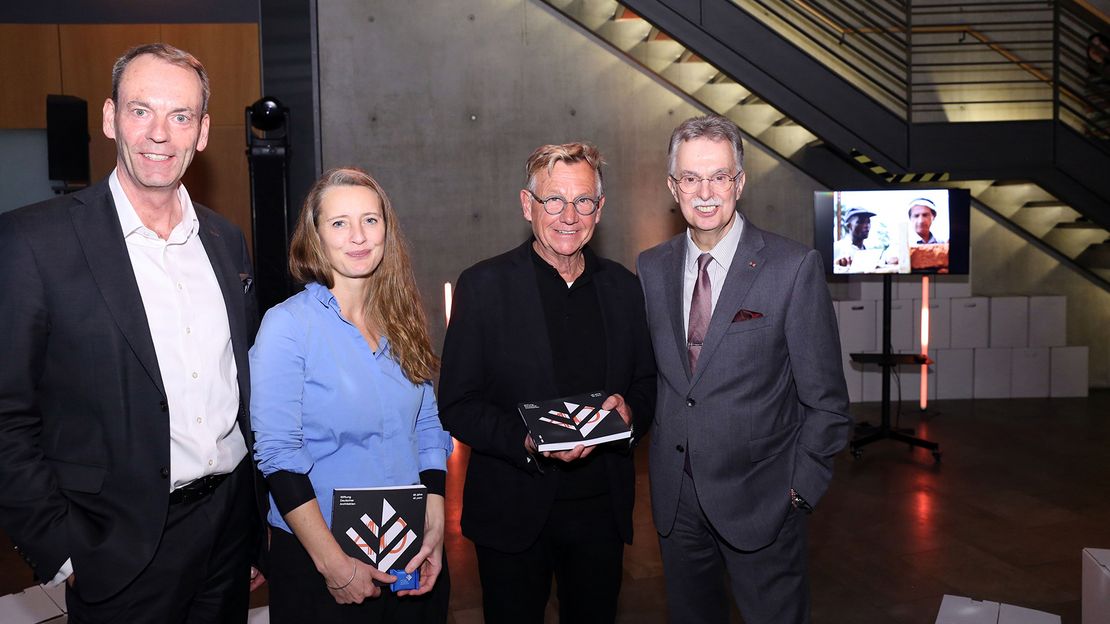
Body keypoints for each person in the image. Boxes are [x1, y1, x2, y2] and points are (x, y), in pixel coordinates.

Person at [0, 43, 266, 622]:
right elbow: (7, 411)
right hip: (114, 542)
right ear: (108, 117)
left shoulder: (225, 241)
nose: (159, 135)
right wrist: (58, 548)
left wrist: (250, 524)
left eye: (181, 116)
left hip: (227, 528)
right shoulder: (32, 243)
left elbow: (236, 385)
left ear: (201, 132)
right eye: (140, 110)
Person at [637, 115, 851, 624]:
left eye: (719, 176)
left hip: (764, 499)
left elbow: (826, 401)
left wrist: (799, 491)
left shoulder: (792, 267)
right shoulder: (650, 267)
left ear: (741, 181)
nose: (705, 192)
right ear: (673, 186)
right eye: (691, 178)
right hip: (677, 503)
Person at [438, 142, 656, 624]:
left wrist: (631, 413)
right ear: (526, 205)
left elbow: (645, 382)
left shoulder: (623, 287)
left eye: (583, 201)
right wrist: (527, 441)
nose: (568, 215)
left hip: (601, 511)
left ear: (599, 209)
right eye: (553, 200)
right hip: (513, 511)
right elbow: (457, 403)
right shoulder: (484, 286)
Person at [249, 167, 453, 623]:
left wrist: (434, 526)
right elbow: (279, 455)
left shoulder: (403, 319)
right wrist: (334, 565)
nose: (358, 236)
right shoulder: (287, 326)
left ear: (386, 229)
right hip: (321, 557)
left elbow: (427, 426)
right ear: (316, 235)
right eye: (339, 223)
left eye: (370, 220)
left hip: (407, 543)